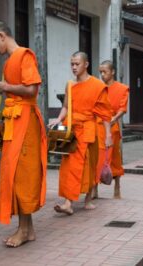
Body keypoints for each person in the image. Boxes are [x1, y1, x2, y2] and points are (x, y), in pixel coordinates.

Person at [0, 20, 47, 247]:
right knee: (15, 171)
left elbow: (32, 89)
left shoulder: (24, 55)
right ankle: (27, 229)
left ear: (2, 35)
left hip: (26, 121)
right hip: (14, 121)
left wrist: (7, 88)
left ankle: (23, 230)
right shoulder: (9, 62)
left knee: (24, 173)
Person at [48, 51, 113, 215]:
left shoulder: (97, 86)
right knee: (70, 166)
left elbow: (105, 114)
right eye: (72, 64)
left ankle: (88, 199)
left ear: (86, 64)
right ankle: (68, 202)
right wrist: (58, 119)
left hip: (88, 129)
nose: (74, 67)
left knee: (90, 167)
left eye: (77, 64)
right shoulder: (70, 84)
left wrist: (108, 135)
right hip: (71, 130)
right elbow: (66, 106)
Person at [93, 60, 129, 199]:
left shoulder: (122, 88)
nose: (102, 75)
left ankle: (117, 186)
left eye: (105, 72)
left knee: (114, 157)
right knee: (97, 157)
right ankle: (94, 188)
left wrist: (114, 118)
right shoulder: (97, 88)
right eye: (100, 72)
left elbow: (122, 108)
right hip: (98, 126)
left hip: (112, 126)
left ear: (112, 72)